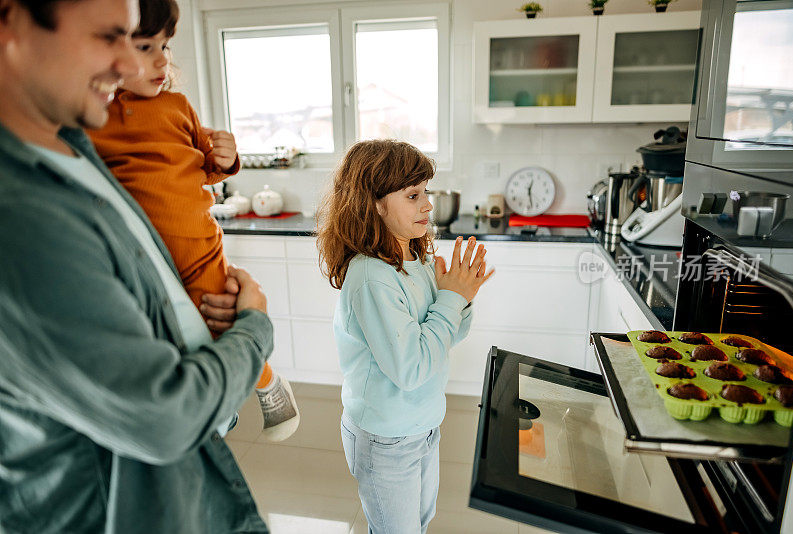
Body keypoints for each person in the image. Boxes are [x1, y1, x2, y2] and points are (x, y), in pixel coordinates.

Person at [0, 0, 273, 532]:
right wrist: (254, 330)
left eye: (140, 42)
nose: (130, 67)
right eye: (108, 37)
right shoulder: (19, 215)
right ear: (10, 21)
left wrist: (193, 318)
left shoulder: (74, 146)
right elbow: (164, 417)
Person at [87, 0, 299, 441]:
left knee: (220, 320)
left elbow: (205, 165)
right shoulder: (92, 118)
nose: (163, 60)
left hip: (198, 244)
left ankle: (266, 383)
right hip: (144, 253)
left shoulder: (176, 106)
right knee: (180, 336)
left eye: (165, 46)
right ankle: (213, 412)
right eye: (146, 47)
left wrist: (227, 156)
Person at [316, 140, 494, 533]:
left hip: (423, 425)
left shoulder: (418, 258)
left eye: (425, 192)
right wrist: (450, 299)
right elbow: (411, 368)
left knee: (419, 523)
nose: (427, 205)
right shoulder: (371, 275)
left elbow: (447, 337)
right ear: (374, 203)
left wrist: (461, 298)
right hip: (386, 438)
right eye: (413, 195)